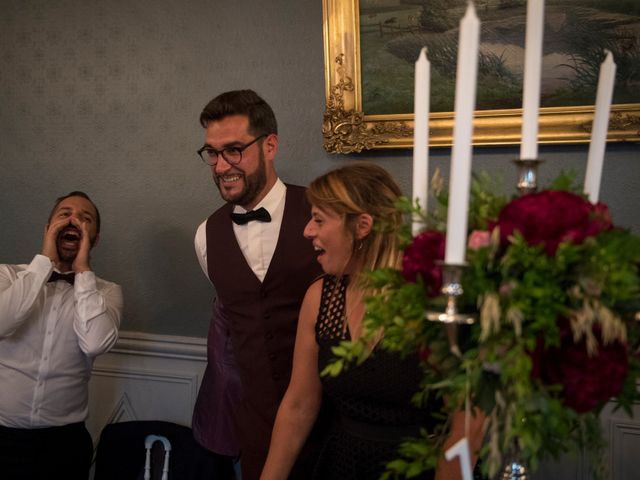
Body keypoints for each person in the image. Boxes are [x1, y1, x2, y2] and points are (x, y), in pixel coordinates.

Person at [260, 163, 485, 480]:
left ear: (362, 225)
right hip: (342, 465)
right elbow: (298, 405)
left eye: (319, 219)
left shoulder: (430, 300)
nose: (307, 230)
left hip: (420, 469)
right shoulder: (320, 298)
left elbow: (465, 424)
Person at [192, 89, 323, 480]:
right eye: (212, 153)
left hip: (329, 426)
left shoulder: (322, 213)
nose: (220, 166)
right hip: (256, 431)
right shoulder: (205, 237)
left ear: (270, 145)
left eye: (234, 150)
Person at [0, 191, 123, 480]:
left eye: (85, 218)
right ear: (47, 229)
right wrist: (43, 261)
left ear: (95, 238)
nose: (74, 220)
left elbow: (94, 343)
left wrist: (83, 272)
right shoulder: (7, 276)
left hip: (64, 444)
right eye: (64, 214)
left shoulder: (107, 292)